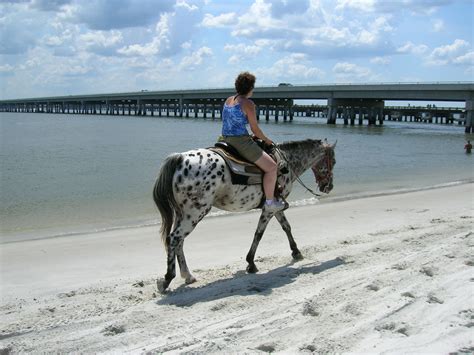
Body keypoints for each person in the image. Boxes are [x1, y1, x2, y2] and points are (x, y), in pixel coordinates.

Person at [220, 71, 287, 213]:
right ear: (250, 88)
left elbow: (231, 123)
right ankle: (270, 202)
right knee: (272, 167)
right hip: (240, 142)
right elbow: (255, 129)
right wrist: (267, 140)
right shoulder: (248, 104)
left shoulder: (228, 100)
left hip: (225, 138)